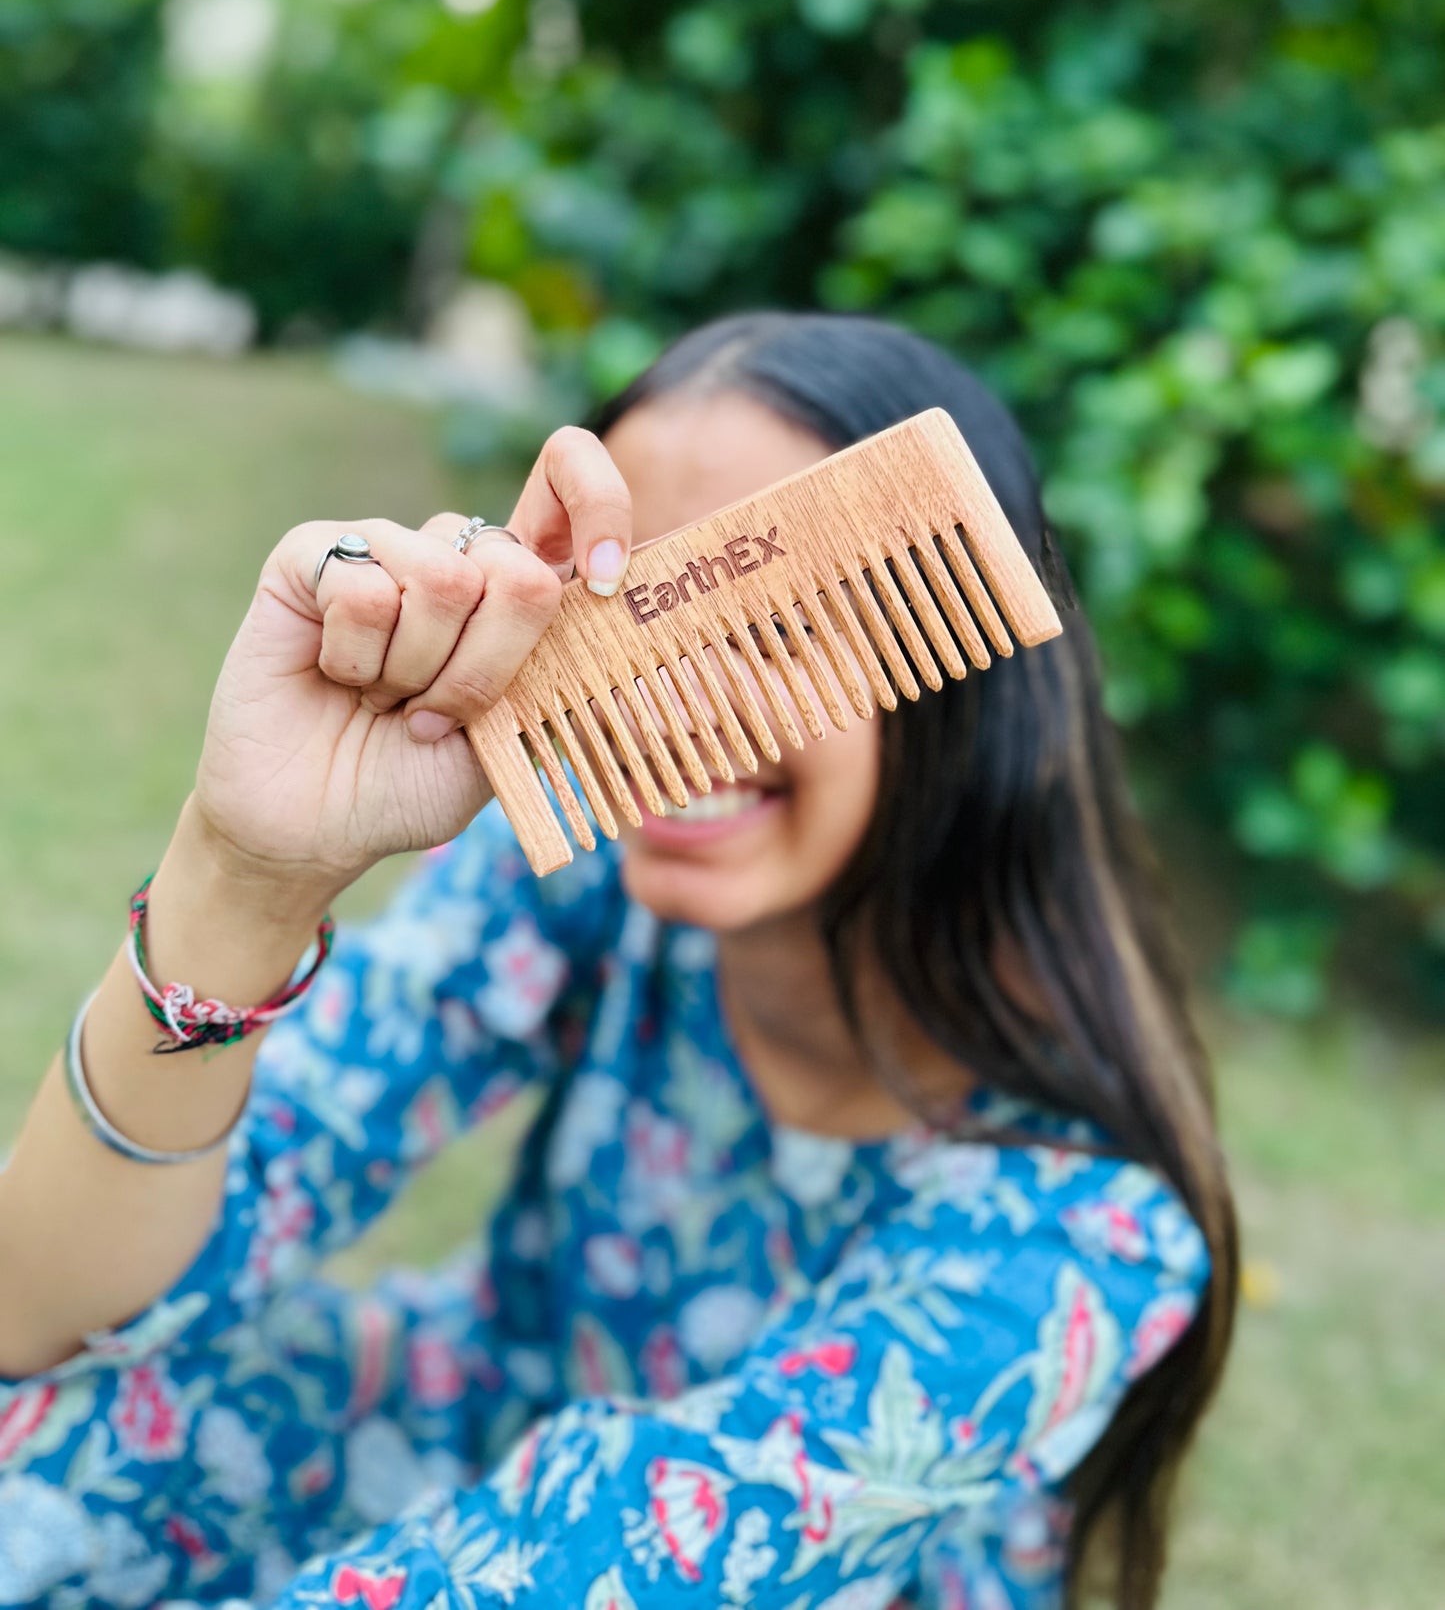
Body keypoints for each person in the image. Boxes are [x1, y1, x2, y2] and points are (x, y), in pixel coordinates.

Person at [0, 313, 1237, 1610]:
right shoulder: (592, 883)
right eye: (624, 621)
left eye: (771, 626)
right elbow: (40, 1309)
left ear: (951, 671)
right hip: (472, 1426)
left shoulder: (1078, 1228)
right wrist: (244, 872)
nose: (669, 709)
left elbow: (616, 1565)